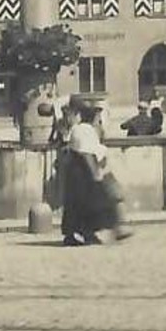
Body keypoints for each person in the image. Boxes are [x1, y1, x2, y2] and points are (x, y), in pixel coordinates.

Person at [62, 100, 131, 245]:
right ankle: (78, 234)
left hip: (84, 170)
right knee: (86, 204)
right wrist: (95, 174)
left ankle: (87, 233)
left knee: (86, 205)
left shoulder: (87, 130)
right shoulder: (84, 130)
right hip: (82, 172)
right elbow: (87, 154)